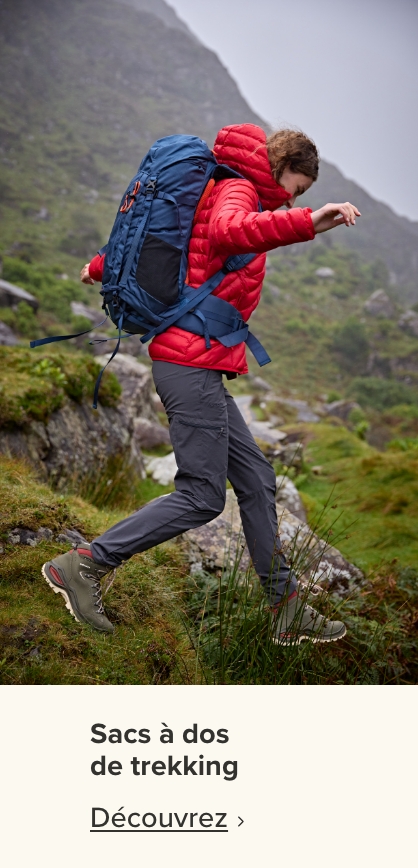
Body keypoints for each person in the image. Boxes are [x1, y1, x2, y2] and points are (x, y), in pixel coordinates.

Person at [42, 123, 360, 644]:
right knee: (202, 496)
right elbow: (228, 233)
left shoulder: (222, 186)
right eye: (295, 188)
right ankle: (84, 565)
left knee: (256, 481)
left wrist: (101, 267)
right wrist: (309, 221)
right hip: (188, 367)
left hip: (199, 364)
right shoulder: (238, 189)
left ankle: (287, 609)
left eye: (299, 197)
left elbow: (181, 248)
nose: (290, 199)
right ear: (278, 168)